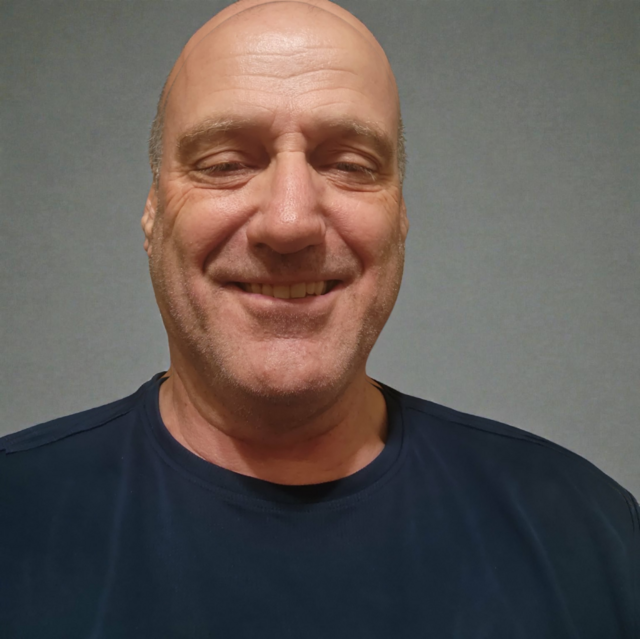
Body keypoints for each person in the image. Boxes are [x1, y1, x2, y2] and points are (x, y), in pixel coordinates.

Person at [0, 0, 637, 637]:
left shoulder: (590, 534)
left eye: (349, 166)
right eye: (225, 164)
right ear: (152, 211)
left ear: (401, 216)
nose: (289, 221)